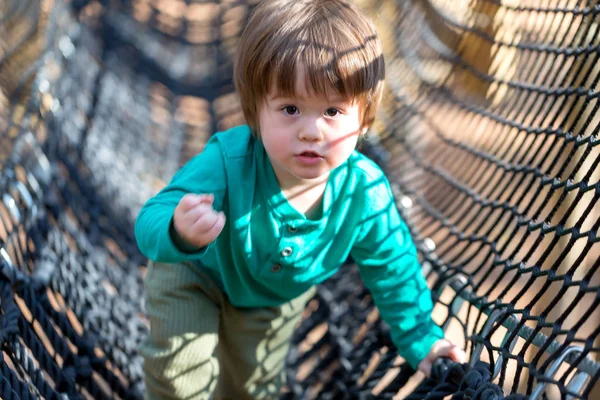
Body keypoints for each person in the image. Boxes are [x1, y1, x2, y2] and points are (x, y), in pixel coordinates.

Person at [135, 0, 467, 398]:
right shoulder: (228, 162)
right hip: (196, 274)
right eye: (290, 108)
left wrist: (420, 337)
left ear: (363, 120)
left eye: (332, 111)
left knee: (251, 390)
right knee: (180, 378)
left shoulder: (364, 192)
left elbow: (392, 267)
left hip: (272, 300)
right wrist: (178, 229)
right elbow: (150, 218)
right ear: (256, 111)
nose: (311, 131)